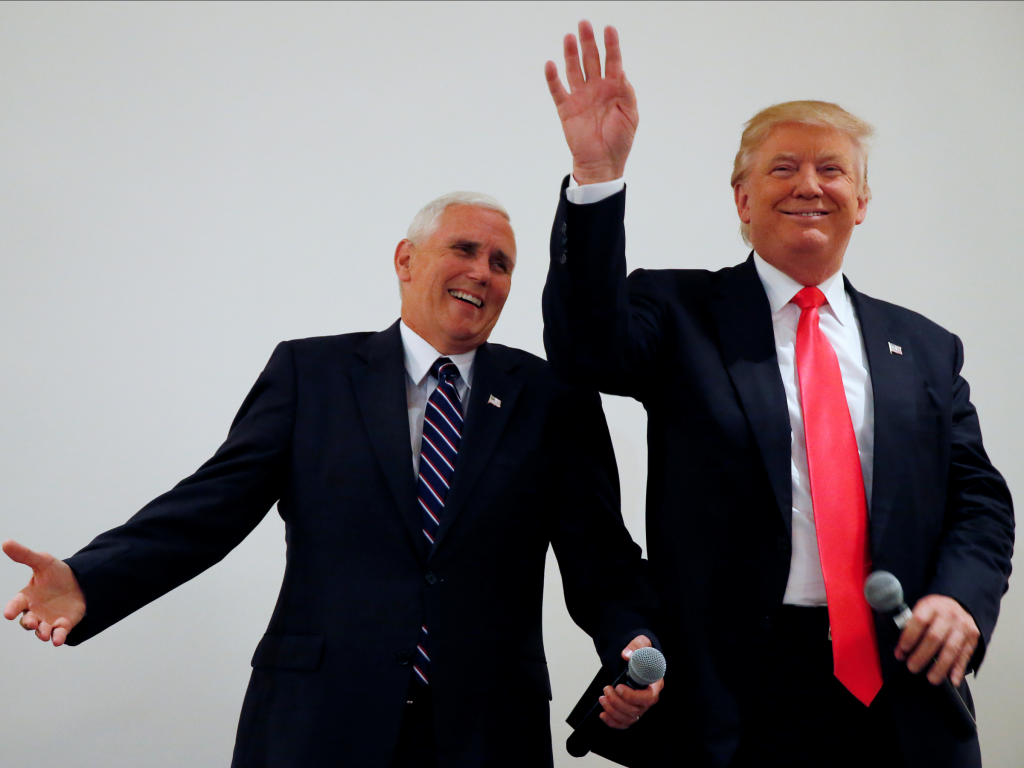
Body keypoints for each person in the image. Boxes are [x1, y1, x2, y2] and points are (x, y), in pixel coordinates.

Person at [3, 191, 664, 768]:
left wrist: (634, 645)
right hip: (319, 721)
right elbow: (208, 509)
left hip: (488, 731)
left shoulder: (552, 398)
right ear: (406, 259)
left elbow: (601, 561)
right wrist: (91, 579)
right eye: (464, 249)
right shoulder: (309, 375)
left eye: (501, 263)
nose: (481, 273)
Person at [541, 21, 1013, 768]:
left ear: (861, 201)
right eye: (783, 167)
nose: (809, 184)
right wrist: (597, 176)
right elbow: (585, 350)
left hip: (901, 692)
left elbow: (979, 499)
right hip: (735, 698)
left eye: (832, 170)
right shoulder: (679, 312)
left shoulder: (924, 346)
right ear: (742, 198)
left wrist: (961, 601)